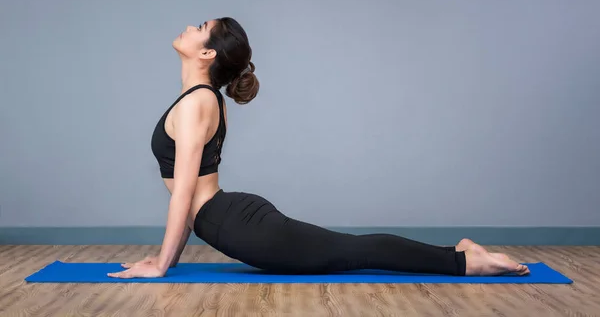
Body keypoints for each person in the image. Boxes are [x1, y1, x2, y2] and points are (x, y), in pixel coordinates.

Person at [108, 18, 530, 279]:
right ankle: (459, 255)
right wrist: (172, 261)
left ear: (206, 52)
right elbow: (189, 193)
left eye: (199, 26)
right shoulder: (200, 98)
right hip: (230, 216)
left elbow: (184, 194)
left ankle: (465, 261)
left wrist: (162, 265)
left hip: (239, 225)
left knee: (354, 252)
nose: (188, 26)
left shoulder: (199, 101)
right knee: (350, 249)